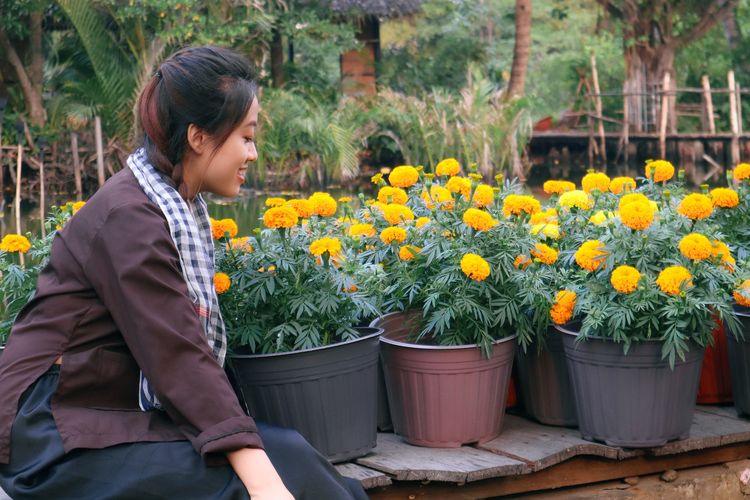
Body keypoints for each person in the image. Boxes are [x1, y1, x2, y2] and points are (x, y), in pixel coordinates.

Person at [0, 46, 368, 500]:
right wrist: (266, 485)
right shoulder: (128, 216)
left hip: (103, 414)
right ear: (198, 137)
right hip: (53, 433)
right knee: (258, 479)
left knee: (290, 455)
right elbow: (176, 353)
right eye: (246, 137)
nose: (253, 153)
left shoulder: (169, 204)